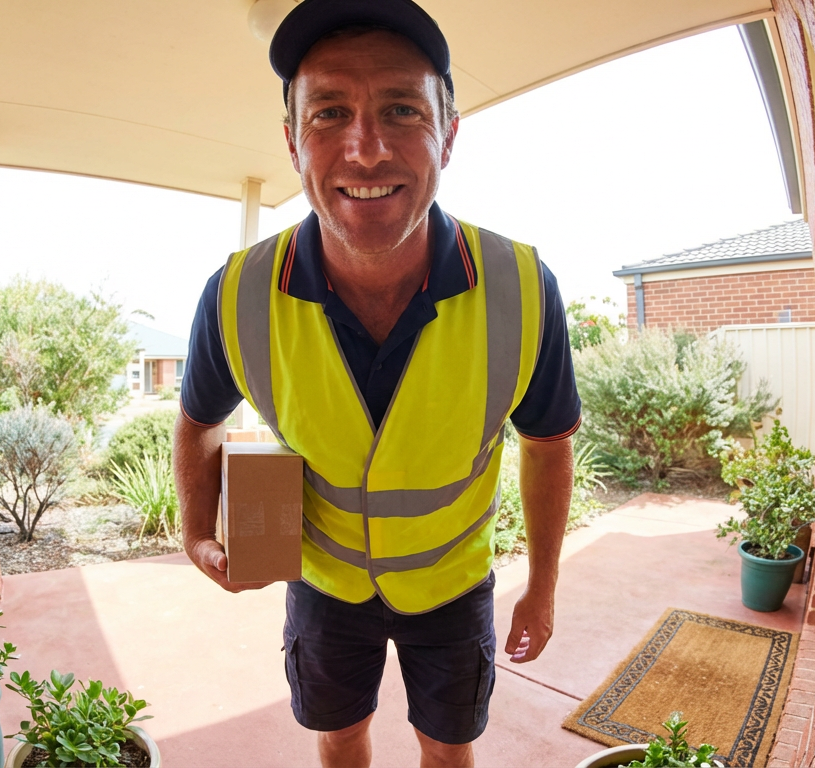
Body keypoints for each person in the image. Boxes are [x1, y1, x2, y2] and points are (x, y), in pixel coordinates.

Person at [172, 1, 581, 765]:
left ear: (448, 136)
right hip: (324, 588)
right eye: (329, 112)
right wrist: (196, 530)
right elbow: (198, 421)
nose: (365, 150)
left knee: (447, 748)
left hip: (453, 589)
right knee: (339, 738)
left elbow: (549, 443)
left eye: (401, 108)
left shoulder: (524, 288)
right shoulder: (235, 295)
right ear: (293, 141)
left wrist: (543, 584)